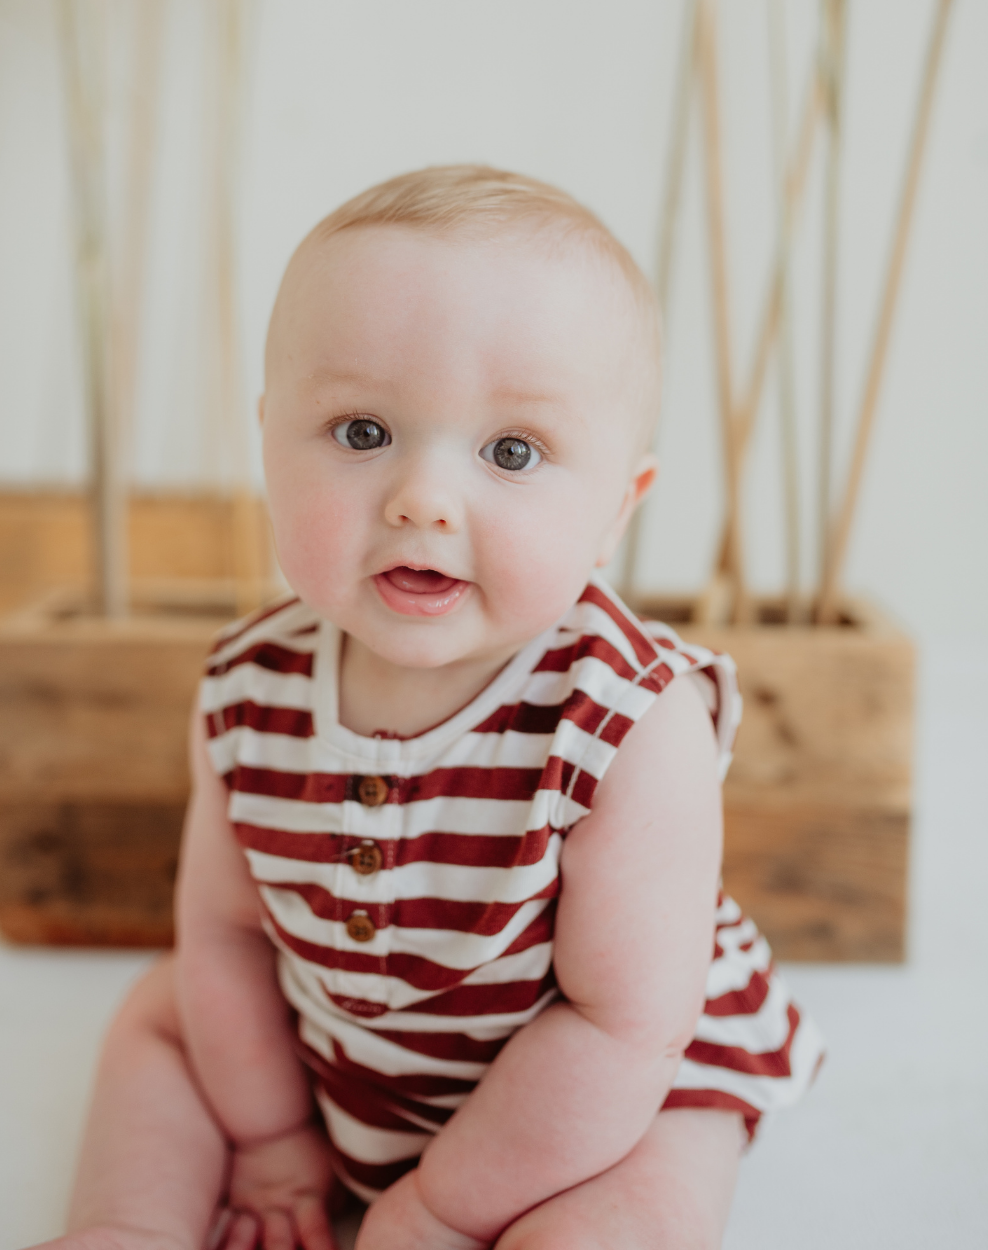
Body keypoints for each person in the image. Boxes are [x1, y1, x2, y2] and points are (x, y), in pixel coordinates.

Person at [44, 166, 823, 1250]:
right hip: (337, 1043)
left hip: (601, 1098)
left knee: (632, 1206)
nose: (423, 498)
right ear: (269, 443)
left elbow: (619, 1025)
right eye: (362, 431)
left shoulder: (630, 725)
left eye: (512, 451)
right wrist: (270, 1133)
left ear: (616, 509)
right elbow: (224, 934)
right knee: (160, 1014)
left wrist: (442, 1206)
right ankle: (126, 1225)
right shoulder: (245, 688)